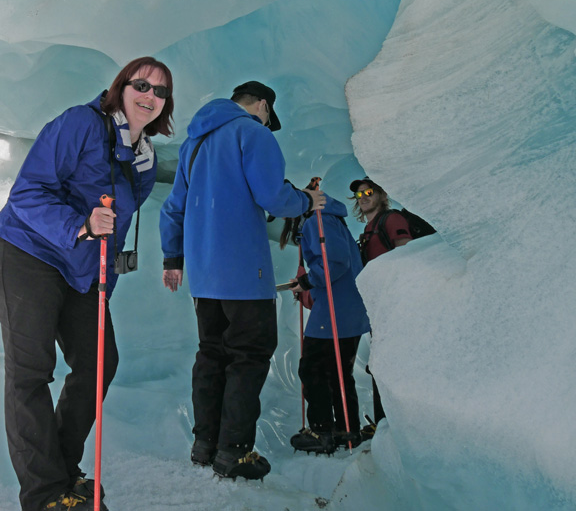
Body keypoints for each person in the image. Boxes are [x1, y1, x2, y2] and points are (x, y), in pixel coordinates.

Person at [0, 57, 175, 511]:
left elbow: (117, 224)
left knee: (97, 363)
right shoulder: (81, 123)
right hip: (27, 250)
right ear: (121, 86)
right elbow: (28, 192)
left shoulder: (144, 160)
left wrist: (101, 279)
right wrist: (80, 225)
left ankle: (64, 477)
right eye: (142, 84)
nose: (150, 96)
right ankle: (44, 494)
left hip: (81, 270)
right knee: (31, 372)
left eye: (161, 92)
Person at [160, 81, 325, 480]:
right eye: (269, 117)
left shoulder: (193, 144)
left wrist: (173, 258)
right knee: (249, 355)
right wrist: (306, 200)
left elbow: (173, 208)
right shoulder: (253, 133)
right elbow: (273, 197)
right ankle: (235, 452)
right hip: (245, 274)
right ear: (263, 106)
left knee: (211, 354)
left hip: (204, 277)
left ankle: (205, 445)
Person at [280, 190, 371, 454]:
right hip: (346, 308)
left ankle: (322, 432)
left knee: (313, 370)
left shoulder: (316, 220)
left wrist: (308, 281)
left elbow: (335, 261)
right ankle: (346, 430)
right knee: (337, 372)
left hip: (335, 310)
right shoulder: (327, 218)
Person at [350, 177, 411, 438]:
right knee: (380, 365)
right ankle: (383, 423)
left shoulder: (392, 220)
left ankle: (395, 423)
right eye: (359, 194)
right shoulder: (369, 230)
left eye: (369, 192)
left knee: (392, 364)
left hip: (396, 307)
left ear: (382, 194)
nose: (363, 197)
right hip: (380, 310)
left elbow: (408, 256)